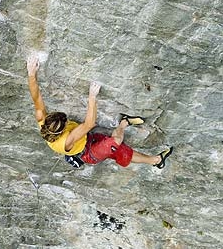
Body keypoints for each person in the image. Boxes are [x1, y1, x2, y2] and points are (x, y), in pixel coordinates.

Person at [27, 55, 173, 170]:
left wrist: (31, 73)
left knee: (118, 151)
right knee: (115, 142)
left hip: (87, 140)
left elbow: (36, 97)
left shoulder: (42, 120)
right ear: (63, 130)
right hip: (88, 152)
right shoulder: (67, 140)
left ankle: (157, 161)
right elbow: (89, 124)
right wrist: (92, 97)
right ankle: (124, 124)